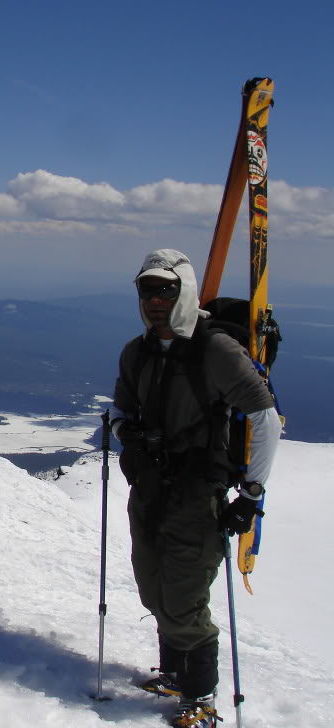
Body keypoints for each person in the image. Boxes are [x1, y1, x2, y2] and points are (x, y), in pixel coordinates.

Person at [110, 249, 282, 728]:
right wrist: (131, 439)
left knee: (184, 598)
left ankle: (200, 697)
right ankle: (173, 673)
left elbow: (265, 417)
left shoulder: (216, 350)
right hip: (148, 488)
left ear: (183, 291)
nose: (156, 300)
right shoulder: (136, 352)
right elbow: (122, 410)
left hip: (196, 491)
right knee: (153, 588)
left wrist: (251, 495)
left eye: (166, 289)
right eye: (147, 289)